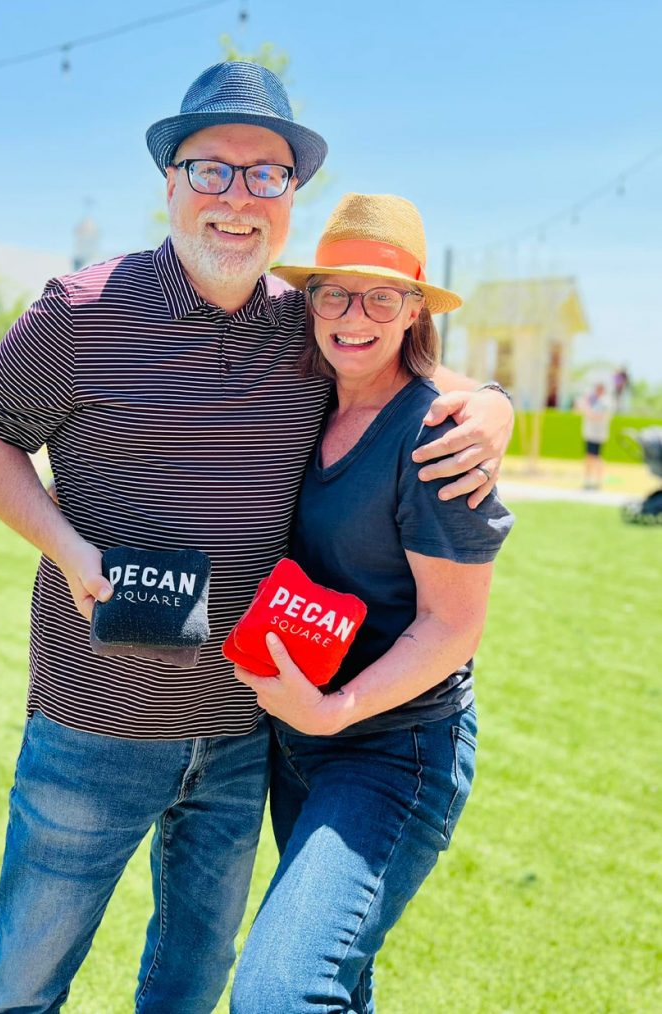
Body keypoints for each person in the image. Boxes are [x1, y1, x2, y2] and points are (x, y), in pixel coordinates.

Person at [0, 62, 514, 1014]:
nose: (237, 198)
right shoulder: (80, 312)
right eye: (212, 169)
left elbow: (395, 357)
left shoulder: (306, 324)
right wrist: (69, 551)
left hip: (248, 727)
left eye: (267, 175)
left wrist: (488, 404)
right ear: (169, 181)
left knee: (193, 983)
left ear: (291, 199)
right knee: (21, 981)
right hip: (94, 722)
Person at [230, 194, 514, 1014]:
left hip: (394, 749)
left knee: (279, 993)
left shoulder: (435, 435)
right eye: (335, 293)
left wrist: (335, 709)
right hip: (297, 744)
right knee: (339, 986)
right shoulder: (309, 401)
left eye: (382, 295)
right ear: (311, 299)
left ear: (415, 308)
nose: (355, 315)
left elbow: (453, 624)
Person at [577, 381, 613, 490]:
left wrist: (586, 408)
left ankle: (597, 481)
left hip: (597, 435)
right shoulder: (594, 401)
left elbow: (597, 416)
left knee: (596, 458)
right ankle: (588, 480)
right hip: (590, 434)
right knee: (589, 457)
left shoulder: (605, 402)